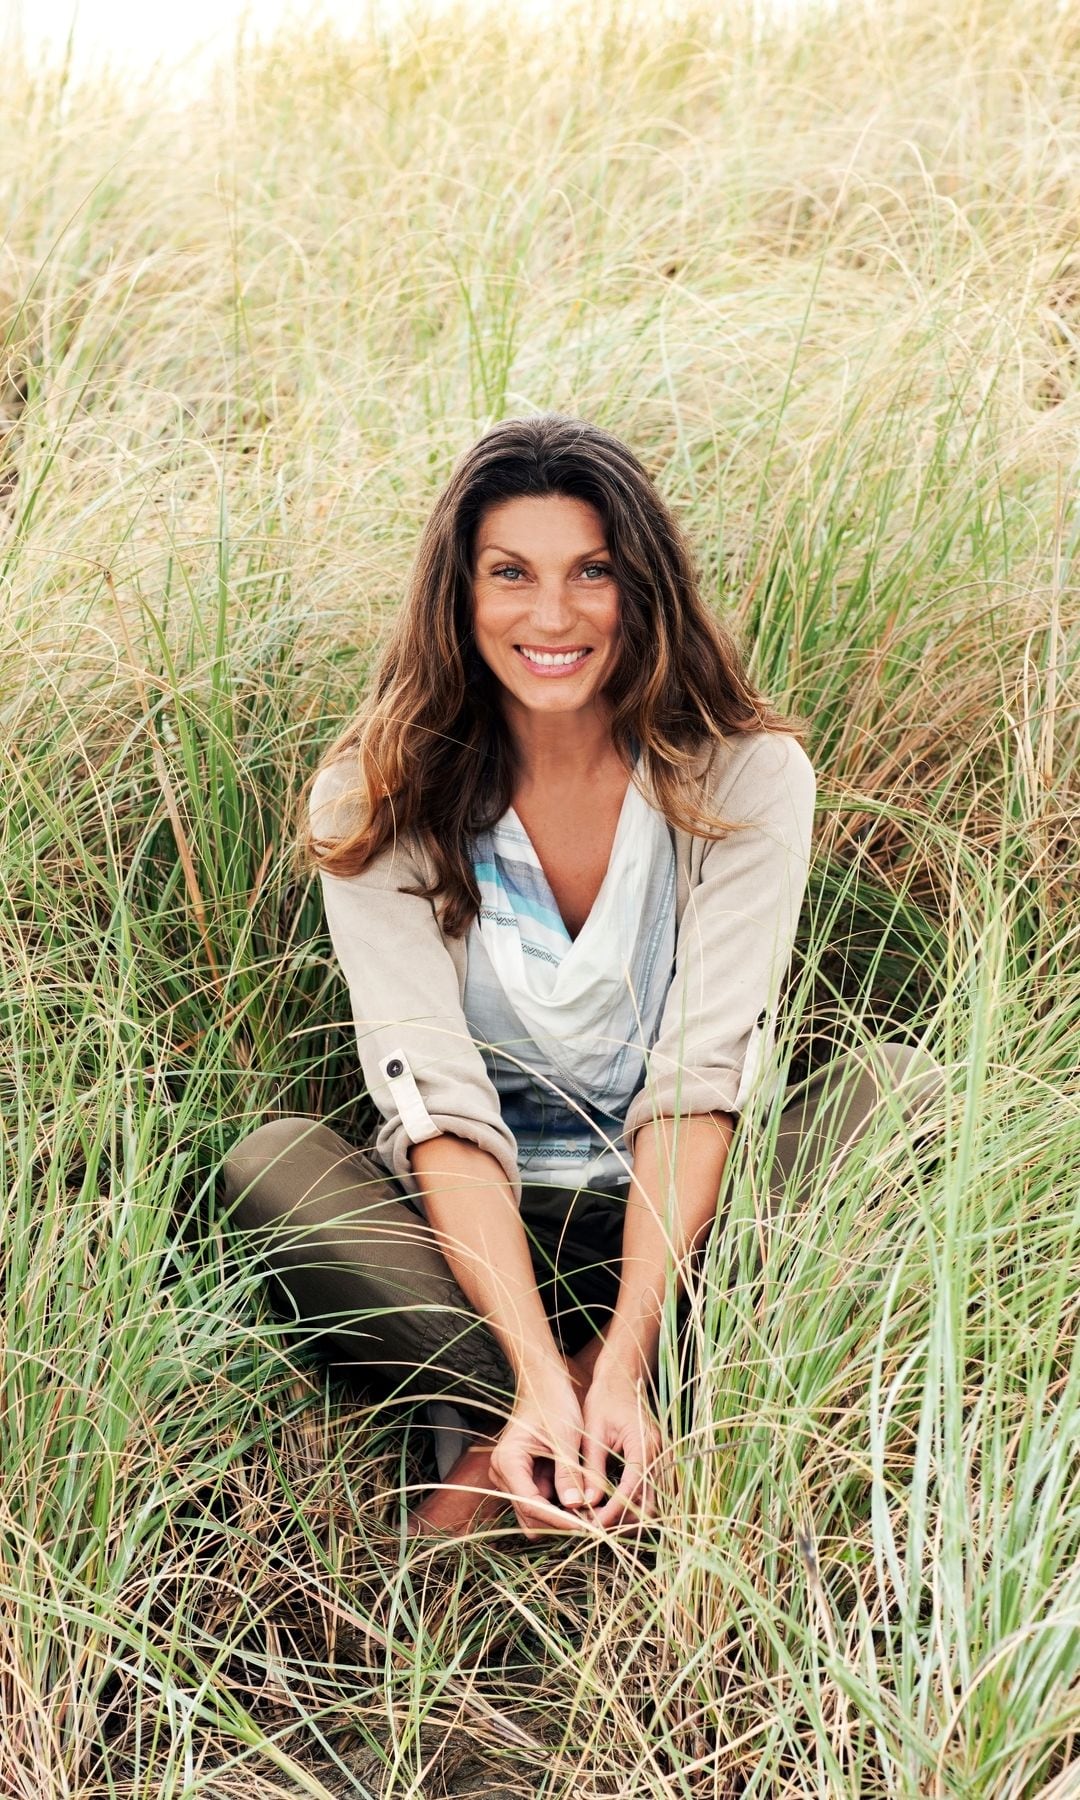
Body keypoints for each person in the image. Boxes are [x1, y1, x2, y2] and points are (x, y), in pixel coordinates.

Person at [221, 413, 944, 1541]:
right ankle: (526, 1407)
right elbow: (438, 1111)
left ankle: (595, 1412)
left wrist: (622, 1352)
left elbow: (699, 1082)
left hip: (682, 1225)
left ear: (640, 588)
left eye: (591, 572)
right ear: (458, 596)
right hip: (464, 1233)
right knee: (270, 1166)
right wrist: (541, 1371)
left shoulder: (748, 779)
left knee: (901, 1092)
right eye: (511, 573)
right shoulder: (374, 799)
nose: (551, 617)